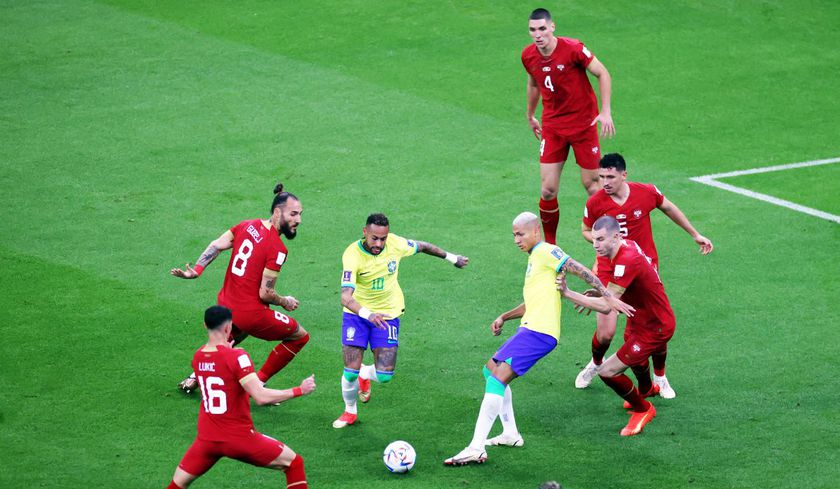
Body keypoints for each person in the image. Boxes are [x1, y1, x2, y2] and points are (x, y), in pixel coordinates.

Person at [130, 306, 337, 489]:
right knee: (294, 463)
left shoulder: (197, 357)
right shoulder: (237, 356)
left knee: (175, 488)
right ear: (229, 328)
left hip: (206, 441)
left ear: (205, 326)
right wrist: (299, 390)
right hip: (238, 439)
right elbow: (260, 396)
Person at [443, 212, 632, 466]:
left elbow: (578, 268)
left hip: (540, 333)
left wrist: (606, 295)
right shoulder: (535, 259)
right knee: (490, 371)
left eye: (520, 234)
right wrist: (504, 316)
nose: (516, 240)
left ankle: (476, 447)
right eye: (513, 235)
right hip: (528, 329)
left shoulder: (546, 251)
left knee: (498, 379)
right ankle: (510, 434)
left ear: (535, 232)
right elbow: (531, 302)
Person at [574, 153, 713, 397]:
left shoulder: (645, 192)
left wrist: (694, 234)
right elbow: (586, 230)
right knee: (606, 332)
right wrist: (604, 243)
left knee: (655, 326)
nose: (605, 182)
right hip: (610, 269)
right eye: (601, 176)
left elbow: (668, 207)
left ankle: (660, 376)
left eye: (610, 176)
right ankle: (596, 363)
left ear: (624, 175)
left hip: (645, 271)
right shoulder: (595, 202)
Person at [332, 213, 468, 428]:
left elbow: (423, 246)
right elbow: (346, 298)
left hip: (388, 313)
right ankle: (350, 411)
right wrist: (368, 314)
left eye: (383, 238)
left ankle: (365, 374)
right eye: (374, 238)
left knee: (385, 376)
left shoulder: (395, 244)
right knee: (349, 372)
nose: (379, 243)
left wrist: (452, 258)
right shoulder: (352, 255)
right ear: (365, 232)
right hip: (357, 315)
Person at [170, 184, 310, 391]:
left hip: (227, 305)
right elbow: (266, 292)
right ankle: (259, 384)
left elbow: (217, 244)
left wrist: (197, 270)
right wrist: (285, 301)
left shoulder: (247, 225)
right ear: (277, 212)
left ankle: (195, 376)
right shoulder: (278, 249)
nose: (298, 220)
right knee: (300, 336)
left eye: (300, 214)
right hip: (250, 313)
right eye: (293, 214)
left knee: (234, 334)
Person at [566, 216, 677, 436]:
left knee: (607, 371)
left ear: (617, 236)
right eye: (594, 239)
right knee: (632, 355)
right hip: (639, 317)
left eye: (600, 239)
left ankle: (643, 409)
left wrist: (568, 293)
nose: (595, 244)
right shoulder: (625, 247)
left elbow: (607, 307)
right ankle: (646, 390)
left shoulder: (627, 258)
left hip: (655, 327)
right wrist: (602, 293)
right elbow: (617, 291)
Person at [522, 7, 615, 245]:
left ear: (552, 27)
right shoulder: (528, 56)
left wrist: (605, 111)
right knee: (548, 190)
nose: (538, 34)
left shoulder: (573, 49)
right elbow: (534, 84)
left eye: (542, 28)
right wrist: (531, 114)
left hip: (583, 126)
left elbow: (602, 73)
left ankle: (609, 245)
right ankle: (551, 249)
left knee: (593, 187)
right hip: (553, 128)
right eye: (533, 30)